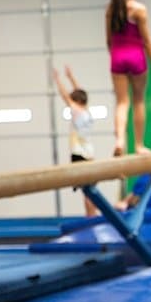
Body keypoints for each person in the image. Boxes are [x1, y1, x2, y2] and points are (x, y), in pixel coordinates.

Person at [106, 0, 151, 157]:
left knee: (122, 102)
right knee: (138, 100)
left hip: (117, 56)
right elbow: (147, 41)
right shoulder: (139, 10)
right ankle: (139, 145)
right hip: (136, 56)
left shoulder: (111, 8)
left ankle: (120, 140)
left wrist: (114, 59)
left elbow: (108, 39)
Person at [53, 65, 97, 216]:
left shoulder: (76, 111)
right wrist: (71, 77)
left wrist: (58, 80)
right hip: (90, 154)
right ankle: (92, 215)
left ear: (76, 101)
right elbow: (80, 93)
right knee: (90, 188)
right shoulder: (87, 112)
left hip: (79, 154)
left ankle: (90, 217)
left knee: (86, 191)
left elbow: (65, 96)